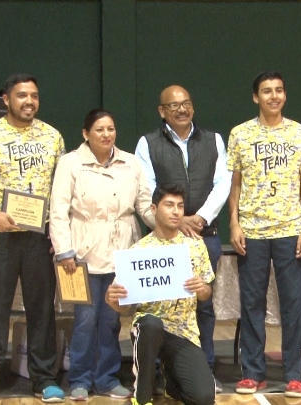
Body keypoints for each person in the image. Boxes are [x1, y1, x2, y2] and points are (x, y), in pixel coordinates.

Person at [0, 73, 66, 405]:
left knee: (41, 308)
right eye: (22, 95)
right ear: (6, 100)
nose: (29, 101)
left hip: (39, 237)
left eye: (34, 95)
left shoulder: (52, 137)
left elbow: (61, 189)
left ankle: (44, 378)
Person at [50, 108, 154, 401]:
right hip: (80, 256)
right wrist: (64, 251)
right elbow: (58, 211)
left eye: (111, 129)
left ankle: (107, 378)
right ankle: (80, 379)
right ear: (86, 134)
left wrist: (164, 221)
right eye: (99, 130)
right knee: (84, 320)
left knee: (111, 321)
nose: (106, 134)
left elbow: (144, 204)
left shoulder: (131, 163)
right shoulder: (70, 163)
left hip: (123, 255)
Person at [227, 71, 301, 398]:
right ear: (256, 97)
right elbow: (234, 184)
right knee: (251, 304)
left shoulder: (300, 134)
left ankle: (297, 374)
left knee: (294, 306)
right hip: (251, 231)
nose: (274, 96)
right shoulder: (240, 134)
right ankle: (253, 372)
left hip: (290, 230)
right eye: (267, 91)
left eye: (279, 90)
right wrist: (234, 224)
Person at [134, 85, 230, 392]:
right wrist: (176, 220)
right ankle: (155, 372)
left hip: (205, 234)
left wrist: (199, 218)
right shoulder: (147, 143)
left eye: (186, 103)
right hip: (162, 236)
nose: (181, 109)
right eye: (173, 105)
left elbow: (223, 183)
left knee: (202, 303)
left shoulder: (214, 140)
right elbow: (146, 187)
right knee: (157, 307)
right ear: (162, 111)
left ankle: (203, 367)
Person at [105, 184, 215, 405]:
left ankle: (172, 383)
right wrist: (112, 300)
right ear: (154, 209)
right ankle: (142, 396)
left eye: (180, 206)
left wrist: (203, 289)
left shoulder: (195, 245)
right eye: (169, 205)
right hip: (149, 328)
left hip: (184, 331)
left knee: (203, 398)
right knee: (152, 324)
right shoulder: (138, 251)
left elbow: (206, 294)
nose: (176, 211)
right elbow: (123, 307)